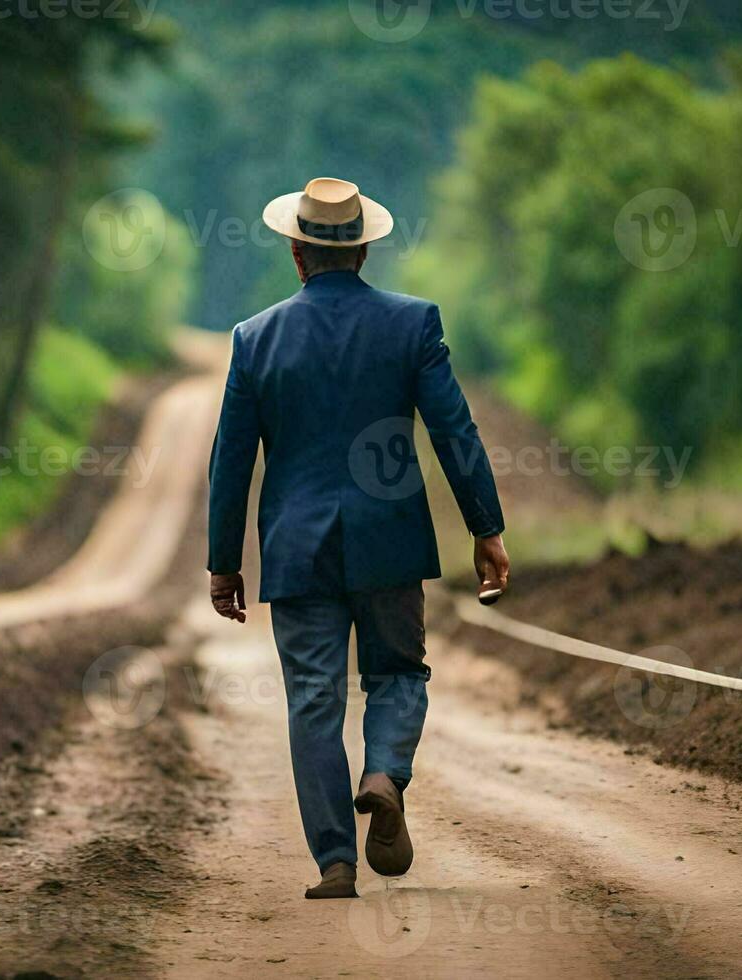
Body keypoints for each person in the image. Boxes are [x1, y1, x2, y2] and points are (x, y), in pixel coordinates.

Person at [206, 178, 510, 899]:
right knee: (399, 675)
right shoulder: (413, 325)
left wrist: (224, 564)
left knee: (313, 699)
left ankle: (336, 865)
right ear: (365, 248)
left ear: (296, 251)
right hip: (389, 541)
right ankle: (383, 774)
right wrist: (486, 526)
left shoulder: (256, 338)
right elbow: (453, 432)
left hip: (296, 548)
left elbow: (231, 460)